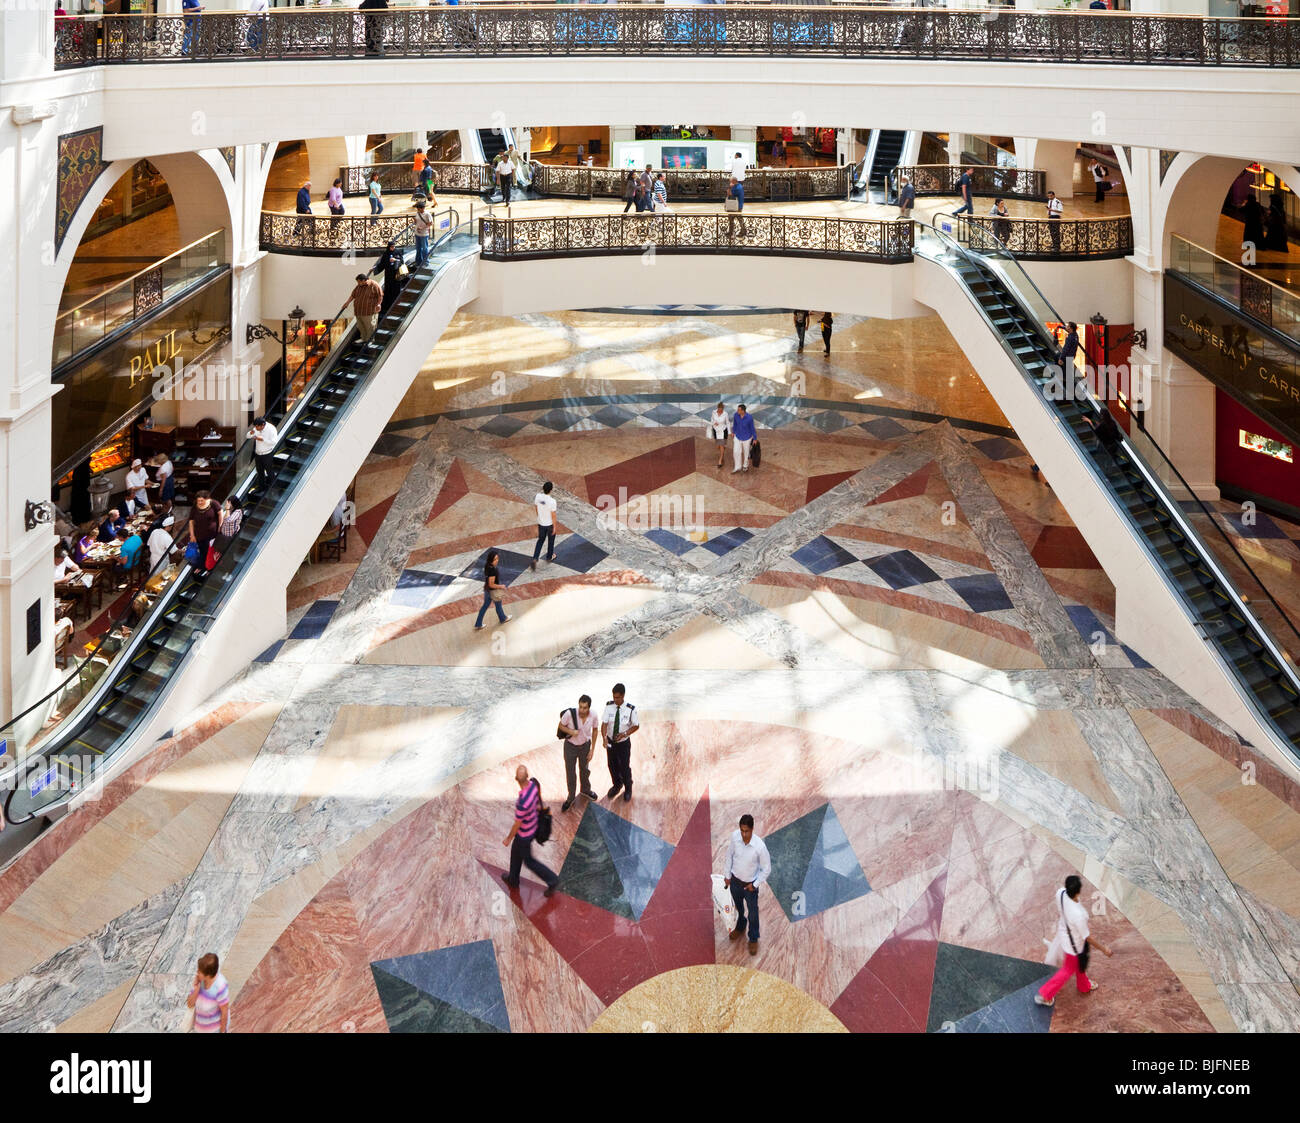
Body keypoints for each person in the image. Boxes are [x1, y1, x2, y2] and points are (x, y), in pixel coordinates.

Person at [1035, 875, 1112, 1006]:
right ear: (1078, 892)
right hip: (1075, 946)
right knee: (1067, 970)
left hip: (1064, 935)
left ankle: (1084, 986)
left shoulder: (1060, 893)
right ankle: (1046, 994)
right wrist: (1104, 949)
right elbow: (1086, 937)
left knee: (1080, 964)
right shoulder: (1078, 915)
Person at [501, 765, 558, 896]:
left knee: (529, 862)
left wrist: (508, 838)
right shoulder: (533, 786)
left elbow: (517, 824)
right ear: (527, 776)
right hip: (533, 828)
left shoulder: (522, 802)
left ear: (516, 779)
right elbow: (538, 802)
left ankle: (552, 880)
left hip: (524, 835)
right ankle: (513, 879)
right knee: (515, 852)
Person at [723, 813, 771, 956]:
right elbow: (729, 855)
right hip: (735, 882)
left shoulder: (759, 847)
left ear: (752, 829)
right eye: (742, 830)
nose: (744, 834)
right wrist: (727, 875)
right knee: (738, 908)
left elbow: (767, 869)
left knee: (753, 914)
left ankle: (753, 938)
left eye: (747, 831)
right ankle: (740, 925)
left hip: (750, 887)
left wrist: (754, 885)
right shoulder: (735, 837)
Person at [558, 694, 599, 812]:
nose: (581, 710)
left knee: (585, 769)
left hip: (585, 746)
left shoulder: (593, 715)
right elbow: (560, 726)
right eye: (580, 707)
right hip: (570, 746)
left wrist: (592, 750)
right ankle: (571, 797)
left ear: (589, 708)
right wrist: (570, 731)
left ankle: (585, 790)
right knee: (570, 772)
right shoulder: (569, 714)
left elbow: (595, 730)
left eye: (585, 708)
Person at [601, 683, 638, 802]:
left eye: (617, 697)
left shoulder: (630, 709)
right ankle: (617, 785)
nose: (615, 699)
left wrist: (624, 734)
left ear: (623, 696)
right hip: (611, 742)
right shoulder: (609, 706)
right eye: (614, 697)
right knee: (612, 765)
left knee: (624, 767)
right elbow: (604, 724)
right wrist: (604, 737)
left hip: (623, 743)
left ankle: (628, 788)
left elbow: (636, 725)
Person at [186, 952, 230, 1033]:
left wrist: (222, 1031)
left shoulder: (221, 987)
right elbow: (190, 1004)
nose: (197, 973)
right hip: (199, 1029)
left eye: (199, 971)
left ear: (208, 975)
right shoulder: (200, 981)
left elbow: (225, 1013)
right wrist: (196, 988)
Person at [473, 547, 512, 629]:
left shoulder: (487, 566)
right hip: (493, 591)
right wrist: (501, 586)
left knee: (485, 606)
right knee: (498, 605)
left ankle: (478, 624)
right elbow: (491, 584)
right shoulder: (492, 570)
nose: (497, 560)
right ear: (491, 560)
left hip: (487, 590)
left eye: (497, 558)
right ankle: (503, 618)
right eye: (495, 559)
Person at [345, 272, 383, 341]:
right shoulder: (359, 286)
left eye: (359, 282)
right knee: (361, 327)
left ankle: (369, 341)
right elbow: (353, 295)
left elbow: (380, 296)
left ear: (363, 280)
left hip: (369, 312)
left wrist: (378, 304)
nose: (358, 283)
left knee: (370, 327)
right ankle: (363, 339)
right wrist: (347, 303)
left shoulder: (374, 285)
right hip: (359, 311)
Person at [371, 239, 406, 315]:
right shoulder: (386, 254)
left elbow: (402, 261)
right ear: (389, 247)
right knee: (388, 288)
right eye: (391, 247)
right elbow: (382, 264)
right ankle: (388, 304)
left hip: (396, 274)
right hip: (388, 274)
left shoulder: (397, 252)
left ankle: (396, 302)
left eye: (394, 246)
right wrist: (374, 269)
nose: (393, 248)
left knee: (396, 288)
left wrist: (395, 260)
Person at [188, 490, 220, 573]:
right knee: (202, 552)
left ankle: (209, 568)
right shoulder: (195, 506)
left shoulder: (214, 504)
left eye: (201, 500)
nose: (199, 502)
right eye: (198, 500)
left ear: (207, 499)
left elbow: (220, 513)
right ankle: (202, 567)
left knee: (209, 552)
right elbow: (191, 521)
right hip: (199, 535)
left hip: (211, 535)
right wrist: (192, 535)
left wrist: (220, 526)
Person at [530, 480, 557, 570]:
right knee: (551, 541)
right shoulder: (552, 501)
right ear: (551, 490)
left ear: (543, 488)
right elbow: (553, 515)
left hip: (541, 523)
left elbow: (536, 507)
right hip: (549, 525)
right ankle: (549, 557)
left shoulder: (538, 497)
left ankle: (535, 558)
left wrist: (539, 517)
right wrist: (555, 527)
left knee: (540, 540)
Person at [248, 416, 278, 485]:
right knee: (260, 472)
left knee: (269, 471)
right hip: (258, 454)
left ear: (263, 425)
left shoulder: (271, 429)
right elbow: (248, 436)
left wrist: (262, 439)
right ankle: (261, 487)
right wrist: (250, 433)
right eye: (255, 426)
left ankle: (272, 487)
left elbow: (274, 442)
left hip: (267, 454)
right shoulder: (256, 428)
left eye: (257, 426)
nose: (255, 428)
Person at [731, 402, 757, 473]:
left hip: (747, 437)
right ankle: (737, 467)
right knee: (736, 451)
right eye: (737, 409)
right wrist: (733, 431)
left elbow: (752, 428)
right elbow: (735, 424)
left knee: (746, 452)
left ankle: (745, 465)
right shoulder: (736, 415)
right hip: (737, 436)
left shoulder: (749, 417)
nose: (737, 411)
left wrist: (755, 438)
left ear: (743, 411)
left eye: (739, 410)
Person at [707, 401, 730, 469]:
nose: (720, 411)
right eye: (719, 409)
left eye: (721, 409)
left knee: (721, 445)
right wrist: (714, 422)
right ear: (717, 408)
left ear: (723, 408)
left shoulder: (725, 414)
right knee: (718, 446)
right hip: (716, 430)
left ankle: (720, 460)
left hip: (723, 430)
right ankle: (722, 449)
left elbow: (727, 423)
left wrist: (729, 432)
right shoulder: (713, 412)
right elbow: (711, 419)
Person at [412, 199, 433, 267]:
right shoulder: (417, 213)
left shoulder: (427, 214)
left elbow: (430, 223)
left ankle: (425, 262)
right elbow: (416, 222)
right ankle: (418, 261)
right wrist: (415, 221)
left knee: (424, 248)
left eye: (418, 208)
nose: (418, 209)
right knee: (418, 248)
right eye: (417, 208)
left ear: (423, 208)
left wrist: (422, 228)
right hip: (417, 233)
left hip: (424, 234)